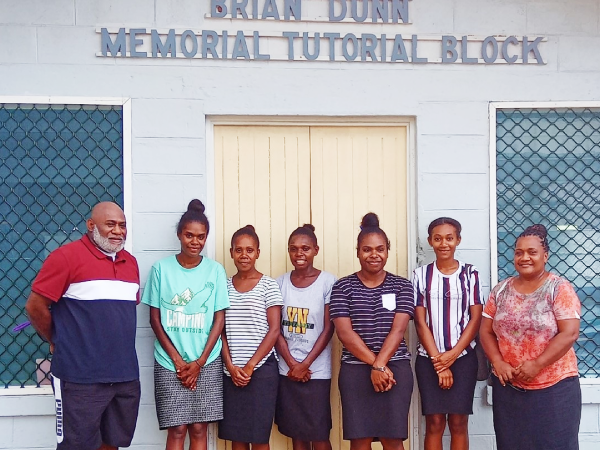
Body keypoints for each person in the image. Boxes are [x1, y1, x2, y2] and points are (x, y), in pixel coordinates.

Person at [25, 202, 140, 450]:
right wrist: (55, 339)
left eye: (122, 225)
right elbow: (35, 307)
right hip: (80, 377)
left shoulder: (130, 263)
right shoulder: (65, 258)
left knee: (113, 443)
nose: (118, 231)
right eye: (110, 224)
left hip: (124, 375)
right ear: (91, 226)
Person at [480, 224, 581, 450]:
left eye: (532, 252)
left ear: (545, 256)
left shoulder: (558, 288)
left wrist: (537, 364)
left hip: (554, 389)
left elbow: (570, 332)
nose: (524, 257)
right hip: (510, 389)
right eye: (519, 252)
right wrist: (497, 362)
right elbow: (485, 331)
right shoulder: (500, 290)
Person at [141, 199, 229, 450]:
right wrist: (179, 362)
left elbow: (219, 319)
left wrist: (199, 363)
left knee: (199, 427)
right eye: (189, 235)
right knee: (177, 428)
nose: (195, 241)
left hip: (206, 361)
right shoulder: (161, 270)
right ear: (179, 234)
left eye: (201, 237)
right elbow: (154, 320)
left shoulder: (215, 271)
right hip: (169, 362)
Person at [330, 213, 414, 450]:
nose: (373, 255)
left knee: (392, 439)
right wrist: (375, 366)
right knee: (360, 439)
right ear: (357, 251)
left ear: (388, 250)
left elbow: (398, 331)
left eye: (379, 249)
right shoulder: (343, 287)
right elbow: (345, 333)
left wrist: (381, 366)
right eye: (367, 249)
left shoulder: (402, 286)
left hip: (395, 369)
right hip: (355, 370)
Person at [412, 217, 483, 450]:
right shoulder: (420, 275)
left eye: (449, 238)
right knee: (433, 422)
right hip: (429, 359)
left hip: (463, 358)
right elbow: (420, 322)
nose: (444, 244)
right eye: (438, 238)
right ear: (430, 241)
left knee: (458, 421)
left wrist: (453, 355)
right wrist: (439, 362)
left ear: (458, 240)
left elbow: (475, 318)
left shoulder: (470, 274)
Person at [219, 225, 283, 450]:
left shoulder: (268, 285)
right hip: (231, 372)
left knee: (258, 439)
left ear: (257, 252)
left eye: (249, 250)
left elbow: (274, 330)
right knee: (237, 437)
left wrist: (250, 366)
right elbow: (221, 332)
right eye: (239, 250)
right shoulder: (223, 287)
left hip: (261, 371)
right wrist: (230, 365)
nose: (244, 255)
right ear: (231, 252)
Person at [275, 224, 336, 450]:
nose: (299, 254)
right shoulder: (279, 283)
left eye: (305, 248)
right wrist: (292, 364)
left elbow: (329, 328)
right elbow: (276, 330)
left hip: (316, 372)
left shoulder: (328, 282)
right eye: (294, 249)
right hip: (287, 371)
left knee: (319, 434)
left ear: (316, 250)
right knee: (297, 434)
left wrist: (305, 364)